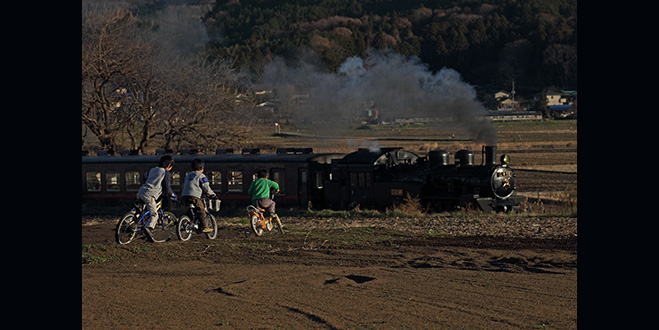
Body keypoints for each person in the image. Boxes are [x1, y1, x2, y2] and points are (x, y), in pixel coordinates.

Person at [137, 155, 175, 233]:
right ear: (168, 165)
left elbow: (144, 177)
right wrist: (171, 194)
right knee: (154, 215)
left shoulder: (152, 170)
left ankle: (126, 221)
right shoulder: (165, 173)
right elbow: (167, 186)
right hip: (150, 195)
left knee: (137, 210)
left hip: (141, 191)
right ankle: (148, 228)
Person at [181, 158, 218, 233]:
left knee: (190, 211)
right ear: (202, 168)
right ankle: (204, 227)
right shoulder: (201, 176)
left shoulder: (187, 176)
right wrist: (212, 194)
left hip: (184, 196)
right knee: (201, 211)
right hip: (194, 197)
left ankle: (184, 223)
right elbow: (206, 187)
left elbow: (183, 185)